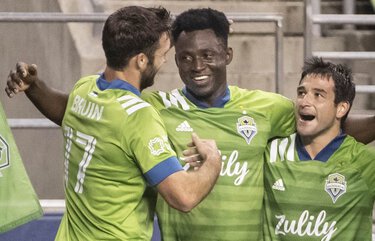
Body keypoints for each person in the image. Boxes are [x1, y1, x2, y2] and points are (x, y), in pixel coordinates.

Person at [5, 8, 375, 241]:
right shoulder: (148, 109)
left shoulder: (268, 108)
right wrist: (37, 88)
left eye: (208, 55)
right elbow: (78, 110)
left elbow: (332, 128)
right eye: (182, 57)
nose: (196, 66)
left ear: (227, 55)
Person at [6, 6, 223, 240]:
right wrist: (213, 161)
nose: (165, 61)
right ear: (141, 61)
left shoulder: (85, 89)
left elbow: (67, 112)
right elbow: (183, 196)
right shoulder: (139, 117)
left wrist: (35, 87)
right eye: (162, 55)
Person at [263, 57, 375, 241]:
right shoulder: (270, 153)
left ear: (341, 108)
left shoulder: (364, 163)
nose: (304, 101)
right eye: (301, 93)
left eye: (318, 95)